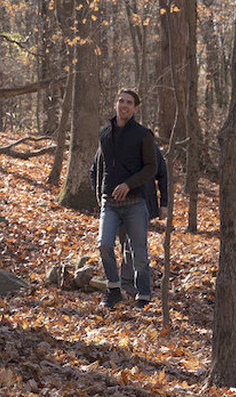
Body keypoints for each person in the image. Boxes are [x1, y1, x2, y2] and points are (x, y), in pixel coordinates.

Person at [89, 89, 157, 310]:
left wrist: (129, 184)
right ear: (115, 104)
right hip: (109, 204)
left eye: (129, 102)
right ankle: (114, 290)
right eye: (120, 101)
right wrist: (100, 192)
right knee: (104, 245)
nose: (124, 105)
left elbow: (152, 168)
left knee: (139, 254)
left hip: (135, 204)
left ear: (136, 108)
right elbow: (101, 166)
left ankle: (144, 296)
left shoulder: (143, 135)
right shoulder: (105, 133)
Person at [119, 147, 168, 306]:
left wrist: (164, 204)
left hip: (143, 203)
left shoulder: (149, 146)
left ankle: (131, 284)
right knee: (126, 242)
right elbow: (96, 169)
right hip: (117, 203)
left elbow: (162, 174)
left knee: (133, 243)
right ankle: (130, 282)